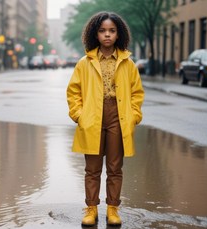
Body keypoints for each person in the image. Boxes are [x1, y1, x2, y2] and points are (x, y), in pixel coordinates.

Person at [66, 11, 144, 227]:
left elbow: (137, 93)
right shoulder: (85, 62)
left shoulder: (128, 63)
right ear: (95, 34)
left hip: (117, 118)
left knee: (115, 168)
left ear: (119, 34)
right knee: (92, 168)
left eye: (111, 31)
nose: (107, 35)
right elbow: (74, 92)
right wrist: (79, 115)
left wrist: (134, 116)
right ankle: (91, 209)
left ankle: (113, 209)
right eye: (102, 31)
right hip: (91, 118)